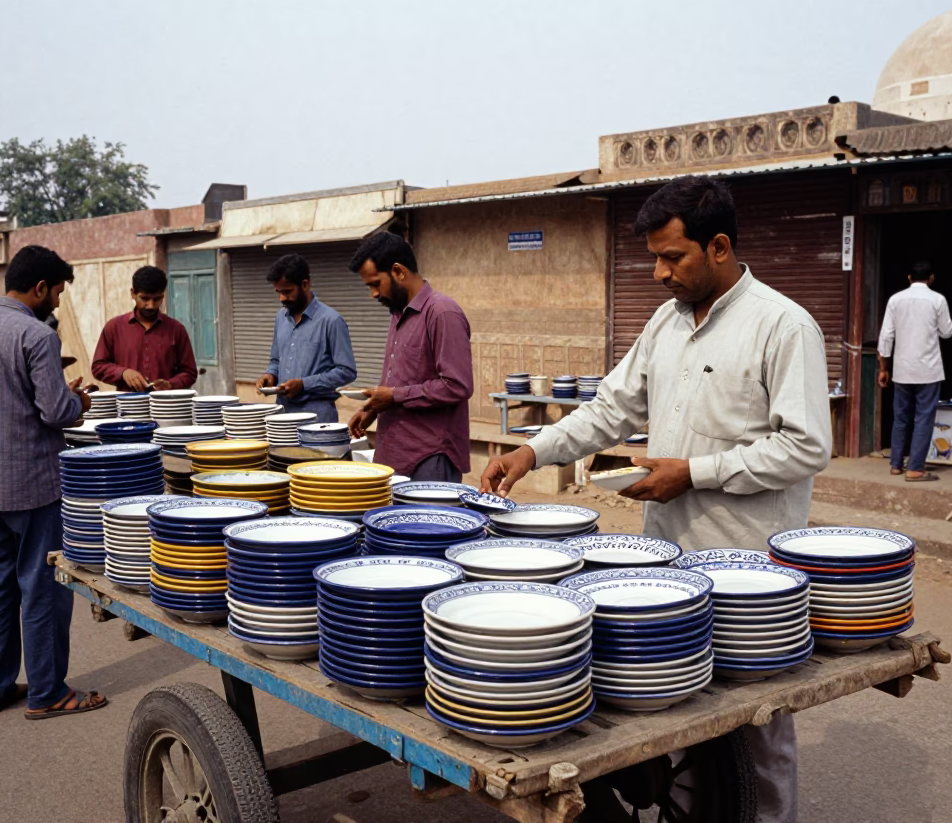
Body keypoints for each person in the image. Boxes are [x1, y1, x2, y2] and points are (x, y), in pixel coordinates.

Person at [481, 176, 832, 823]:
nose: (657, 272)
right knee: (686, 725)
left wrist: (693, 472)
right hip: (667, 569)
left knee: (756, 732)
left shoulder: (784, 326)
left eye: (673, 257)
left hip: (748, 575)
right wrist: (534, 451)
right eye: (654, 257)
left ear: (719, 246)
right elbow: (613, 407)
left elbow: (807, 447)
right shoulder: (666, 324)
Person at [0, 244, 107, 720]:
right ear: (38, 288)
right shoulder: (37, 336)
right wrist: (79, 404)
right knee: (42, 587)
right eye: (56, 292)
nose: (57, 301)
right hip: (33, 485)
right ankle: (48, 692)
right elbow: (55, 411)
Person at [347, 231, 473, 481]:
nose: (373, 294)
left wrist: (393, 396)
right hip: (394, 454)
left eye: (375, 283)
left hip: (430, 459)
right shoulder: (398, 313)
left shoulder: (442, 313)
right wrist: (373, 408)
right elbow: (401, 378)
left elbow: (457, 386)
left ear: (398, 272)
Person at [255, 253, 357, 424]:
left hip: (317, 416)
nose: (282, 298)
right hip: (282, 415)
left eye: (287, 292)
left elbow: (347, 371)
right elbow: (275, 360)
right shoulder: (281, 318)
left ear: (305, 284)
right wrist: (270, 375)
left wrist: (304, 384)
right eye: (278, 292)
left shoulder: (331, 321)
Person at [877, 260, 952, 482]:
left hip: (902, 370)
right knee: (923, 418)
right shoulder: (938, 299)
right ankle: (915, 469)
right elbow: (947, 332)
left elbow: (886, 336)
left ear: (909, 278)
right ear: (931, 279)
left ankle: (895, 464)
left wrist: (884, 368)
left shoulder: (895, 299)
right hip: (928, 370)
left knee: (900, 417)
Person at [91, 265, 197, 392]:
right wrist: (123, 373)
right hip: (127, 408)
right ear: (133, 294)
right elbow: (98, 367)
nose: (151, 305)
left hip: (166, 407)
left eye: (156, 299)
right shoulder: (114, 327)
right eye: (145, 298)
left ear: (162, 297)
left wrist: (170, 384)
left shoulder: (177, 329)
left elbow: (190, 372)